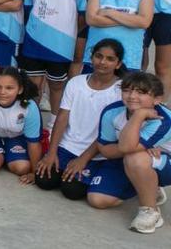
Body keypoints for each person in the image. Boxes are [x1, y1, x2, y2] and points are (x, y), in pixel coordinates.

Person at [35, 39, 124, 199]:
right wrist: (51, 152)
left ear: (118, 64)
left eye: (110, 59)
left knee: (72, 190)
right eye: (99, 56)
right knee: (44, 180)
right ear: (91, 57)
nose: (102, 62)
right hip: (67, 146)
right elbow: (62, 118)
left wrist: (83, 159)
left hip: (96, 152)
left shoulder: (120, 91)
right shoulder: (76, 82)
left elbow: (108, 134)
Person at [94, 72, 171, 234]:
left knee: (136, 158)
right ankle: (148, 187)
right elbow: (105, 149)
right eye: (127, 90)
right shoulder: (112, 111)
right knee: (98, 199)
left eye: (141, 92)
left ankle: (150, 211)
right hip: (135, 160)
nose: (132, 96)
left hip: (166, 164)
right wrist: (135, 146)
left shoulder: (164, 119)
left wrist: (139, 115)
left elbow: (126, 148)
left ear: (157, 100)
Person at [20, 0, 86, 117]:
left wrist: (67, 31)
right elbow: (27, 10)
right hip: (34, 43)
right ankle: (32, 124)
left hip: (61, 46)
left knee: (57, 86)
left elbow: (83, 16)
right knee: (33, 86)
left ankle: (54, 125)